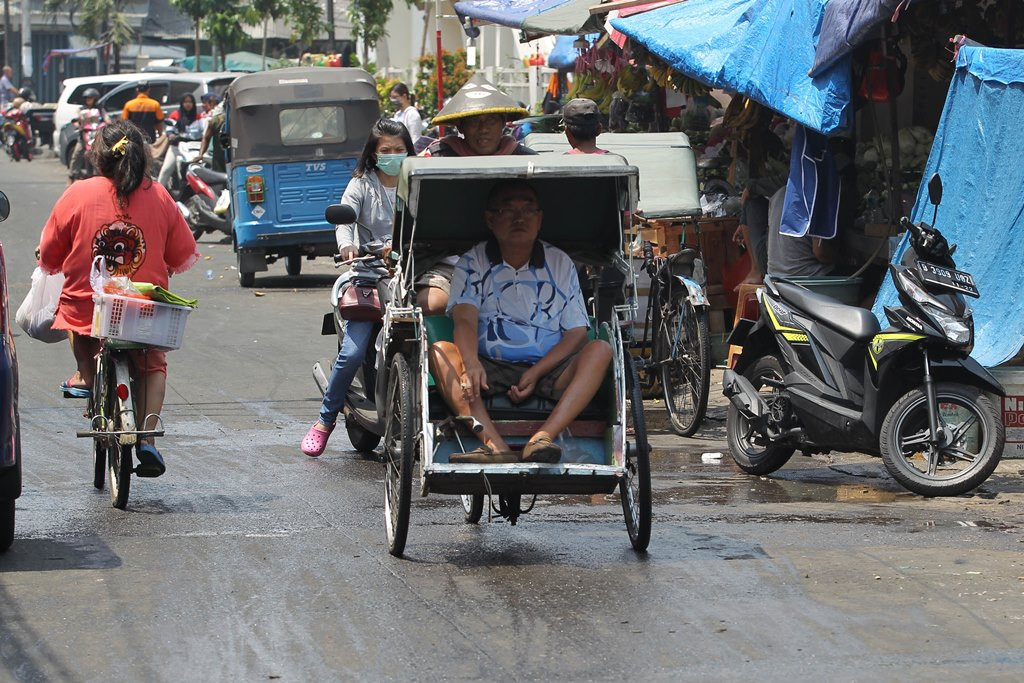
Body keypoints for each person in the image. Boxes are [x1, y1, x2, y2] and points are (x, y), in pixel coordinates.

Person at [38, 120, 200, 477]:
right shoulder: (158, 194)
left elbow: (50, 253)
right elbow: (181, 253)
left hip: (90, 306)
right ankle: (149, 441)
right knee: (153, 364)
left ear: (98, 157)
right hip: (143, 313)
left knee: (72, 312)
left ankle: (85, 375)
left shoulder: (78, 192)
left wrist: (52, 258)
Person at [428, 180, 612, 464]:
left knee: (600, 349)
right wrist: (471, 363)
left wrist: (537, 371)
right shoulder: (472, 261)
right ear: (490, 218)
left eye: (528, 210)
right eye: (508, 210)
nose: (519, 218)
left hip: (551, 367)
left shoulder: (560, 263)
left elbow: (576, 333)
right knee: (440, 352)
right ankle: (493, 445)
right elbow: (465, 318)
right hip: (489, 366)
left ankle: (543, 437)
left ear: (539, 218)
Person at [300, 118, 415, 457]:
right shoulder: (361, 185)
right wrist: (349, 247)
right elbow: (345, 223)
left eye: (400, 150)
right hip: (368, 276)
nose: (394, 156)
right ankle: (324, 420)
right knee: (351, 352)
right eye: (386, 151)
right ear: (373, 154)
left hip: (411, 277)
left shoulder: (420, 180)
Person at [418, 73, 535, 317]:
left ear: (503, 122)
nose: (483, 129)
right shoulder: (436, 159)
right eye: (474, 121)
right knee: (432, 304)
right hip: (449, 260)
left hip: (514, 259)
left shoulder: (525, 159)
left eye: (491, 120)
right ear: (460, 126)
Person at [157, 93, 203, 188]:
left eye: (190, 102)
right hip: (176, 148)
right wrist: (171, 135)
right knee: (165, 170)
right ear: (182, 103)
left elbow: (203, 132)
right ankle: (157, 193)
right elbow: (169, 129)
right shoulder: (175, 115)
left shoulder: (198, 117)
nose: (188, 104)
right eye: (185, 102)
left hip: (192, 149)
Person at [67, 88, 107, 184]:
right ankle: (72, 175)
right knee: (76, 154)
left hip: (96, 136)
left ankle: (101, 175)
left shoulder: (100, 109)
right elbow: (75, 120)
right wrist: (78, 125)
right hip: (83, 136)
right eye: (87, 98)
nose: (88, 100)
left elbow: (106, 119)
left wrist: (108, 124)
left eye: (91, 98)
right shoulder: (80, 109)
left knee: (102, 154)